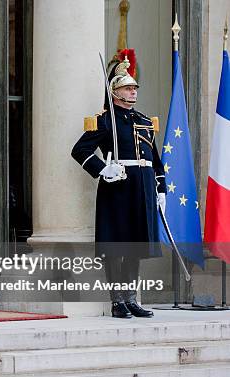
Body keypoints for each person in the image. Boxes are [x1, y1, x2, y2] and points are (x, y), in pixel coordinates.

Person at [71, 53, 166, 319]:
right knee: (116, 247)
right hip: (118, 189)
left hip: (143, 191)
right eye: (127, 88)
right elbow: (80, 150)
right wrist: (103, 169)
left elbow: (155, 161)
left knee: (135, 248)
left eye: (135, 88)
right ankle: (117, 301)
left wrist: (161, 190)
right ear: (115, 91)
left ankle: (131, 298)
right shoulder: (104, 121)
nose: (133, 92)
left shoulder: (146, 121)